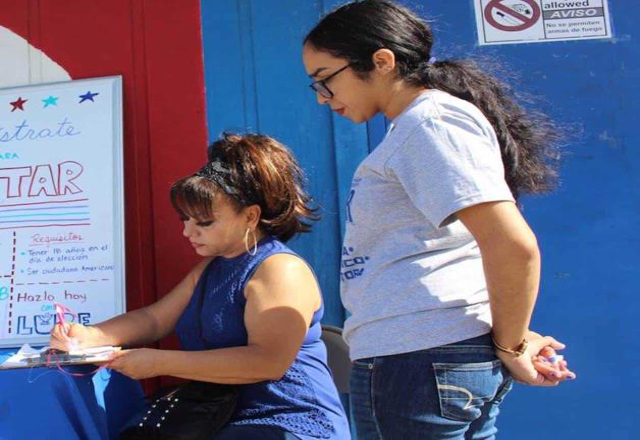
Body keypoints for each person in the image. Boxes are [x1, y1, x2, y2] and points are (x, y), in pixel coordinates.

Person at [302, 1, 576, 439]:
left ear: (382, 61)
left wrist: (514, 343)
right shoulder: (420, 125)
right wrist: (510, 338)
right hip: (429, 359)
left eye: (325, 79)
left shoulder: (429, 123)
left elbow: (512, 245)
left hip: (417, 361)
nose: (321, 97)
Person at [50, 133, 351, 440]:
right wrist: (90, 335)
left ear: (250, 216)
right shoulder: (211, 268)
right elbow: (154, 319)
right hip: (218, 420)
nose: (187, 232)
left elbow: (267, 362)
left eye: (204, 222)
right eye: (185, 219)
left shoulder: (280, 269)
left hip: (290, 421)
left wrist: (159, 363)